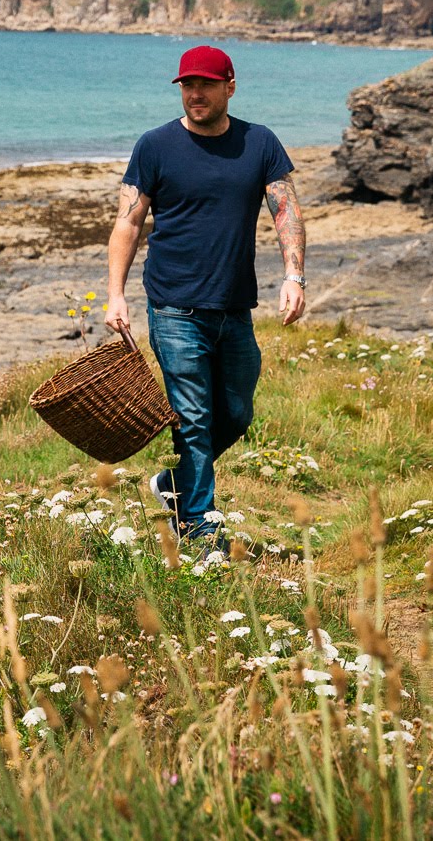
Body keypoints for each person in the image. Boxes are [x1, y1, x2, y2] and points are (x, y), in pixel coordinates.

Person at [103, 44, 306, 551]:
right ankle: (198, 525)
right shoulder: (155, 145)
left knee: (236, 413)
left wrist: (294, 275)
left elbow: (286, 211)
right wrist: (116, 296)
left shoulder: (259, 143)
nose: (195, 94)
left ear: (229, 86)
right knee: (193, 419)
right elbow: (128, 223)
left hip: (235, 306)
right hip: (173, 306)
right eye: (187, 85)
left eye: (206, 85)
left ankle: (174, 486)